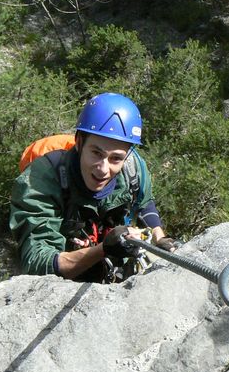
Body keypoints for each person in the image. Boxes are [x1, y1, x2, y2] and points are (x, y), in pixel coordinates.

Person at [10, 93, 176, 282]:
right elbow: (37, 262)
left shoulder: (133, 169)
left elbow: (145, 203)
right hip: (60, 284)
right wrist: (103, 249)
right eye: (96, 153)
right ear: (79, 142)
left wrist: (159, 237)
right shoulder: (41, 180)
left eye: (116, 158)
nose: (103, 169)